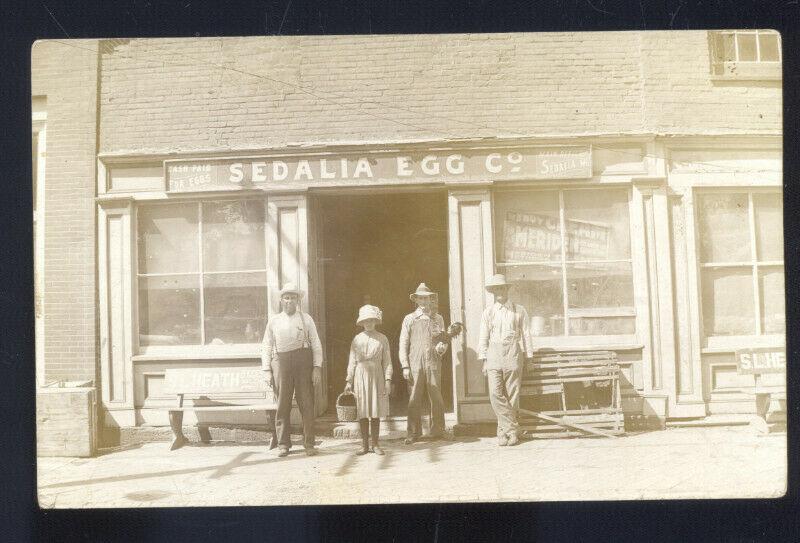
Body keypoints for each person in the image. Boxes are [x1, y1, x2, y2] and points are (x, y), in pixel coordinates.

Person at [261, 283, 324, 457]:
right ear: (281, 300)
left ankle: (309, 443)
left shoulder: (306, 319)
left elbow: (316, 344)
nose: (289, 301)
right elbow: (267, 345)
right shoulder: (274, 320)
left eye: (293, 298)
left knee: (306, 403)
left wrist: (317, 367)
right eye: (286, 298)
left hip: (303, 361)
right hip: (280, 362)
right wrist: (266, 369)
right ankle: (283, 444)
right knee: (283, 404)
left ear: (298, 300)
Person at [477, 274, 533, 447]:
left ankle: (503, 433)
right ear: (493, 292)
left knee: (512, 394)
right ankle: (512, 429)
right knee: (495, 392)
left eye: (502, 288)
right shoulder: (489, 312)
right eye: (496, 289)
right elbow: (483, 338)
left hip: (513, 352)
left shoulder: (519, 310)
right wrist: (484, 360)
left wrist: (529, 358)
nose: (499, 292)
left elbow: (526, 335)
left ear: (507, 289)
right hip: (494, 352)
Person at [399, 283, 449, 444]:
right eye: (420, 298)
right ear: (416, 300)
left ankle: (438, 431)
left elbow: (443, 340)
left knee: (436, 395)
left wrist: (442, 348)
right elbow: (403, 343)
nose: (423, 301)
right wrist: (405, 365)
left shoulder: (438, 318)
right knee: (414, 396)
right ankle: (413, 433)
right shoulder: (410, 318)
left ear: (430, 299)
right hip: (415, 361)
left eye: (426, 298)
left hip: (433, 360)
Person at [344, 305, 393, 455]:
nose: (369, 323)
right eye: (366, 320)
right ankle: (364, 445)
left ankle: (376, 444)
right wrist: (349, 380)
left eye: (372, 320)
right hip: (360, 376)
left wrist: (388, 380)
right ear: (362, 322)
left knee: (375, 410)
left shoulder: (382, 338)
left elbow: (387, 361)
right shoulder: (357, 339)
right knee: (363, 410)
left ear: (376, 321)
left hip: (377, 375)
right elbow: (352, 361)